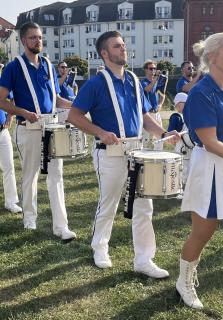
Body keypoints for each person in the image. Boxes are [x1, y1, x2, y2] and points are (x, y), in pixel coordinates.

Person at [68, 31, 179, 276]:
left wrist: (162, 134)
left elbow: (144, 116)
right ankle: (99, 248)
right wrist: (100, 131)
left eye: (123, 46)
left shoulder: (133, 80)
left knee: (144, 206)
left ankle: (144, 260)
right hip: (109, 153)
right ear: (104, 54)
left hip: (137, 151)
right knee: (108, 204)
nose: (123, 49)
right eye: (117, 46)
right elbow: (73, 116)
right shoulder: (95, 83)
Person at [176, 31, 223, 310]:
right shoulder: (201, 93)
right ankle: (184, 281)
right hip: (213, 170)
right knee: (202, 234)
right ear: (212, 57)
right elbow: (211, 142)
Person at [0, 22, 76, 242]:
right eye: (33, 37)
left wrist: (75, 104)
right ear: (23, 40)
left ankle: (61, 225)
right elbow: (1, 99)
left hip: (51, 127)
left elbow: (56, 98)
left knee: (57, 176)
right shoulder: (14, 67)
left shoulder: (48, 65)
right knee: (30, 175)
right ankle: (29, 218)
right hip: (28, 128)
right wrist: (22, 111)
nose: (38, 41)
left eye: (40, 37)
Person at [0, 65, 22, 213]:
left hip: (2, 131)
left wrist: (9, 116)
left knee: (9, 167)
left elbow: (13, 99)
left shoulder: (2, 83)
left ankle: (11, 202)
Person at [141, 60, 168, 150]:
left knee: (160, 136)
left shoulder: (156, 82)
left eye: (154, 69)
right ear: (146, 70)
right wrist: (156, 78)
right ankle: (142, 157)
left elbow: (162, 94)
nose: (153, 70)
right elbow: (147, 89)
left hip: (156, 113)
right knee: (146, 138)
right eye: (151, 68)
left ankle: (158, 156)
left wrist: (160, 104)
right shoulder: (143, 82)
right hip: (147, 114)